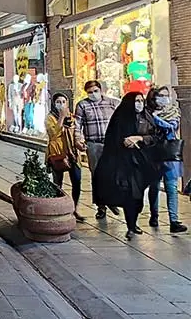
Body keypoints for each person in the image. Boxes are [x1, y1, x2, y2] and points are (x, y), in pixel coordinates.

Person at [93, 92, 160, 240]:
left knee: (138, 195)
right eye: (136, 101)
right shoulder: (120, 118)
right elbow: (111, 139)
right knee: (130, 193)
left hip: (142, 162)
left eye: (141, 101)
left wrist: (140, 138)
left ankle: (133, 222)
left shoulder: (147, 117)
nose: (139, 103)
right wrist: (123, 142)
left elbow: (155, 137)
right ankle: (130, 225)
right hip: (123, 163)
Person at [74, 80, 120, 220]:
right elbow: (77, 125)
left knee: (113, 173)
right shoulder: (83, 105)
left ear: (100, 90)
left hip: (111, 144)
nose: (93, 94)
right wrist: (79, 141)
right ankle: (101, 206)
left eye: (95, 91)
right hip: (93, 145)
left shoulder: (113, 103)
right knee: (97, 175)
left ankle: (111, 199)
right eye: (90, 92)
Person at [146, 86, 186, 232]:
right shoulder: (147, 113)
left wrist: (155, 118)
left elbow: (171, 127)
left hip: (169, 155)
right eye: (161, 95)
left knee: (172, 188)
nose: (165, 98)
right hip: (153, 153)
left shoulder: (173, 112)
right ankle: (154, 215)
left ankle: (174, 221)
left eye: (166, 95)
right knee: (154, 186)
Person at [46, 93, 84, 221]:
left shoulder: (72, 117)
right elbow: (53, 134)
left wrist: (79, 143)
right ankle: (58, 209)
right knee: (58, 183)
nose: (61, 104)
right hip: (58, 154)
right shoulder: (50, 118)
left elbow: (76, 133)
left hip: (72, 153)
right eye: (58, 101)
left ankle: (74, 209)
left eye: (63, 101)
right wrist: (61, 118)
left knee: (77, 181)